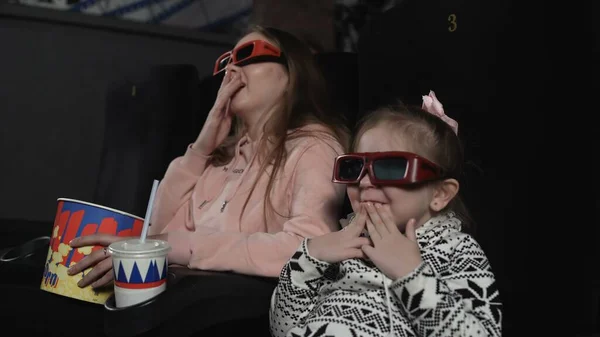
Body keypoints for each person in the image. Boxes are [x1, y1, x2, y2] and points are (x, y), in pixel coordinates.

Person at [67, 25, 350, 288]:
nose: (232, 70)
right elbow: (158, 231)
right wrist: (200, 149)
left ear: (291, 73)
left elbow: (311, 249)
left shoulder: (314, 147)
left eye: (246, 55)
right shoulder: (220, 157)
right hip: (183, 299)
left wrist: (180, 247)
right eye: (227, 62)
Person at [269, 91, 502, 337]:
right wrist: (307, 258)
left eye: (391, 168)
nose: (366, 182)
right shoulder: (343, 243)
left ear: (440, 194)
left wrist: (411, 274)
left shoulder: (455, 249)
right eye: (354, 167)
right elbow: (282, 329)